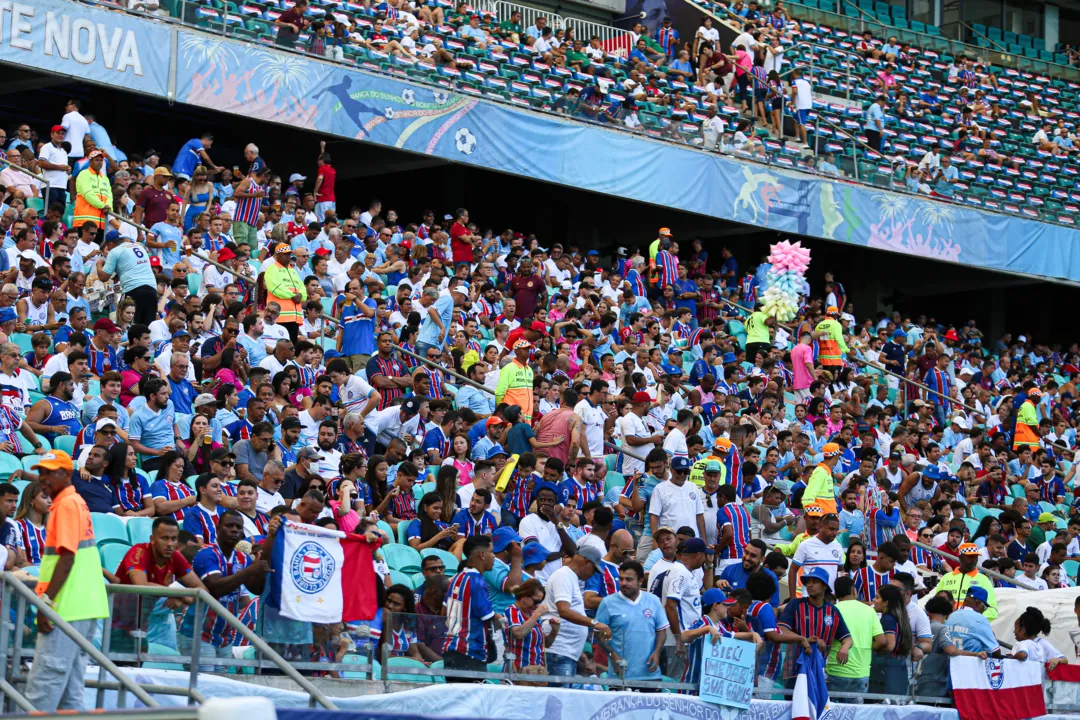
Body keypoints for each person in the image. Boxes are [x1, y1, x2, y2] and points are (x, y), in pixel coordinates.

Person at [23, 450, 109, 713]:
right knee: (70, 696)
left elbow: (66, 558)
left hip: (66, 607)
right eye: (41, 472)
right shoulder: (77, 501)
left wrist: (46, 603)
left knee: (43, 689)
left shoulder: (65, 504)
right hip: (84, 606)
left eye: (50, 472)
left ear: (67, 473)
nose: (43, 477)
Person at [544, 544, 611, 678]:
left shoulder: (570, 577)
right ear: (586, 562)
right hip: (559, 651)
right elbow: (563, 610)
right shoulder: (563, 575)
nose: (593, 574)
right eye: (593, 570)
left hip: (566, 652)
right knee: (560, 696)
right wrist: (594, 623)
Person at [595, 560, 667, 681]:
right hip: (621, 675)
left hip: (650, 674)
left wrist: (657, 652)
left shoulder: (653, 601)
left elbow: (661, 631)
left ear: (640, 581)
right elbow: (598, 634)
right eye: (621, 579)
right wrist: (612, 655)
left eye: (629, 579)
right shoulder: (607, 603)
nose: (624, 583)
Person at [441, 534, 499, 680]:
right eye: (492, 552)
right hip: (470, 652)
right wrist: (502, 619)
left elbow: (444, 612)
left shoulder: (457, 578)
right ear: (482, 555)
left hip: (451, 649)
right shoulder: (477, 581)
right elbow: (487, 615)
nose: (494, 557)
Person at [826, 575, 884, 699]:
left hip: (835, 670)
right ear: (854, 591)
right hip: (861, 673)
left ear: (835, 594)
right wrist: (866, 649)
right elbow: (881, 640)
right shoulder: (869, 611)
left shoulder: (832, 610)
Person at [504, 578, 561, 673]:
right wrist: (537, 614)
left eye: (540, 602)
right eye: (536, 601)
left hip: (537, 672)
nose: (536, 606)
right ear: (524, 595)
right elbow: (518, 633)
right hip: (517, 671)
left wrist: (554, 631)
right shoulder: (512, 611)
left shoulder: (532, 615)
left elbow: (545, 644)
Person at [941, 586, 1001, 658]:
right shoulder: (979, 619)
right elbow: (996, 652)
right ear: (978, 603)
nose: (983, 610)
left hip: (950, 663)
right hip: (971, 664)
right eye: (984, 607)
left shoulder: (951, 616)